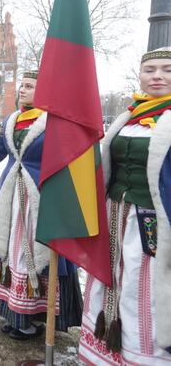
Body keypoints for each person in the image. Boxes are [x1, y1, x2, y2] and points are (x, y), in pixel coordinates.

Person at [0, 71, 82, 340]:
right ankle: (13, 314)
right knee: (9, 252)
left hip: (40, 199)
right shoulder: (12, 119)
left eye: (30, 86)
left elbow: (68, 160)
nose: (22, 89)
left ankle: (32, 318)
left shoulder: (55, 122)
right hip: (9, 200)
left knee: (33, 255)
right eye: (22, 85)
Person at [78, 48, 171, 364]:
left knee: (141, 291)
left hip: (155, 222)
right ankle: (103, 350)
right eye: (150, 70)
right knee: (108, 280)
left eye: (166, 69)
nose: (157, 76)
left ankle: (141, 356)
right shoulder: (128, 115)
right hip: (113, 214)